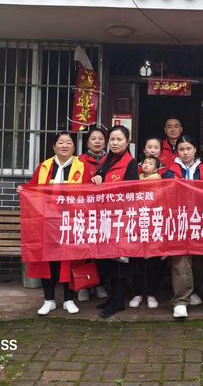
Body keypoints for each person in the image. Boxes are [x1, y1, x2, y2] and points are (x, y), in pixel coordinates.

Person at [18, 132, 86, 316]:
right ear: (54, 146)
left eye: (69, 142)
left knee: (68, 261)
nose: (64, 145)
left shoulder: (82, 166)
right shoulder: (44, 167)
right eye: (61, 142)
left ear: (74, 147)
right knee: (47, 261)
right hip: (46, 222)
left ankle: (68, 299)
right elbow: (33, 188)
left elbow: (89, 193)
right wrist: (24, 190)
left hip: (70, 222)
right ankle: (49, 299)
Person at [91, 125, 139, 318]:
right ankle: (113, 298)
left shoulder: (131, 163)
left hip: (121, 219)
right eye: (112, 139)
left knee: (120, 261)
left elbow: (132, 192)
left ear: (127, 142)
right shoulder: (105, 160)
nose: (115, 142)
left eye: (119, 139)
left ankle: (118, 302)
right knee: (109, 260)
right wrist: (96, 178)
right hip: (105, 218)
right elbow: (98, 181)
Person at [164, 135, 203, 318]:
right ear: (177, 152)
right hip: (178, 219)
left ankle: (192, 291)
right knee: (181, 258)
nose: (186, 152)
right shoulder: (170, 171)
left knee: (200, 260)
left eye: (189, 148)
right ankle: (180, 301)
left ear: (195, 149)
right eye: (181, 149)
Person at [77, 127, 109, 302]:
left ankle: (99, 284)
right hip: (84, 211)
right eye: (93, 139)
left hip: (105, 211)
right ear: (87, 142)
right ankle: (83, 285)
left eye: (100, 139)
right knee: (85, 249)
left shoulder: (110, 159)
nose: (97, 141)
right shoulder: (80, 161)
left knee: (101, 249)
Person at [128, 156, 162, 309]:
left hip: (153, 223)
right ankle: (138, 292)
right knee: (137, 260)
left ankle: (151, 294)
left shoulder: (160, 181)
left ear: (156, 169)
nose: (146, 165)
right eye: (145, 163)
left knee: (153, 261)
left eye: (150, 163)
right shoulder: (136, 179)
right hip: (137, 223)